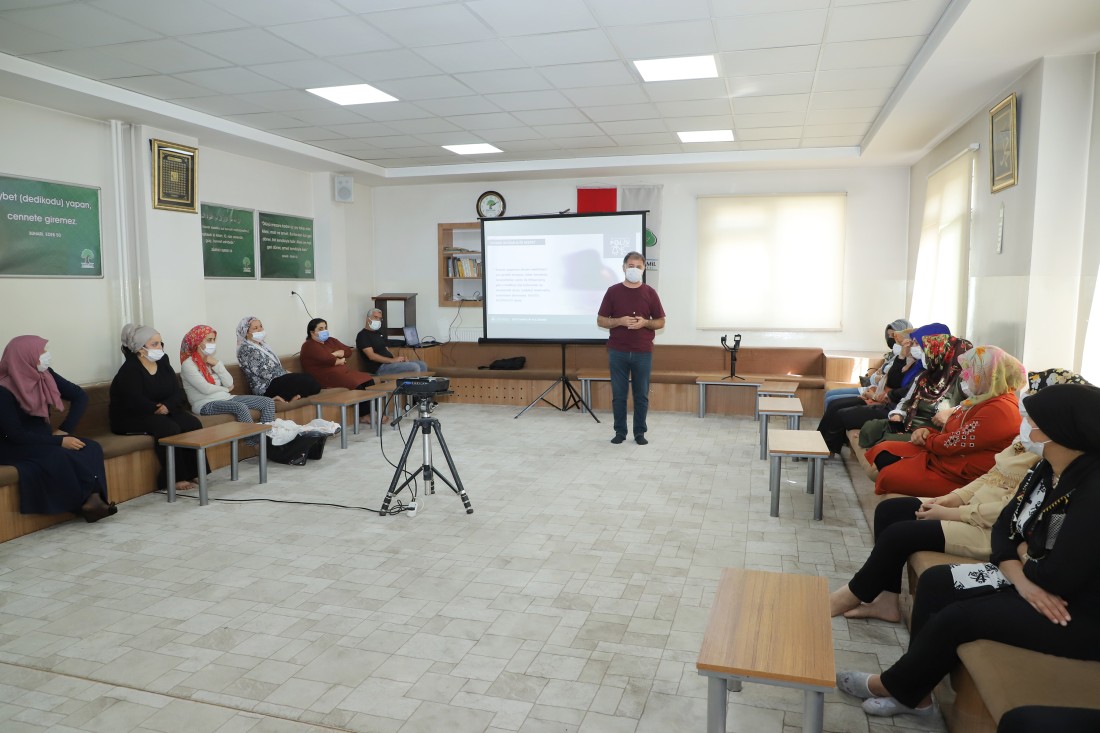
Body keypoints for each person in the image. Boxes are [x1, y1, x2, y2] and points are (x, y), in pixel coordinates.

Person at [836, 383, 1100, 718]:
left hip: (1072, 612)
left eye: (1033, 420)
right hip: (1028, 583)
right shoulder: (1047, 468)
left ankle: (894, 685)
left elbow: (1055, 574)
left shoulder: (1092, 491)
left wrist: (1020, 556)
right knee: (935, 582)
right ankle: (917, 695)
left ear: (1061, 430)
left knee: (958, 618)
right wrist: (1019, 563)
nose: (1026, 428)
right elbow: (1006, 528)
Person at [828, 369, 1087, 622]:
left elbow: (1014, 510)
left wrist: (954, 512)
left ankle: (851, 594)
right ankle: (886, 600)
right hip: (971, 506)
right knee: (890, 510)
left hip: (987, 528)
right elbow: (989, 476)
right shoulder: (1027, 441)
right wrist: (952, 499)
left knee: (899, 534)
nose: (1027, 420)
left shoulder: (1053, 457)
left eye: (1034, 415)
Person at [864, 345, 1024, 496]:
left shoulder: (1000, 409)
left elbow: (955, 442)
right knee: (883, 450)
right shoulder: (982, 399)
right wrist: (927, 432)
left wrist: (928, 438)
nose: (963, 375)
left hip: (961, 475)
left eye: (970, 370)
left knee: (889, 474)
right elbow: (954, 432)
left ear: (989, 376)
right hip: (947, 460)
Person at [0, 335, 116, 522]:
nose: (46, 355)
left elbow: (80, 396)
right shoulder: (3, 390)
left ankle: (94, 499)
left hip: (44, 440)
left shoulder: (45, 374)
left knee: (91, 447)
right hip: (12, 446)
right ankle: (84, 503)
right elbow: (15, 434)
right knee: (62, 455)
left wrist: (65, 430)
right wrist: (59, 441)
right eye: (42, 352)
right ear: (25, 356)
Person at [109, 324, 204, 491]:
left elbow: (177, 391)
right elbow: (133, 400)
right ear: (139, 348)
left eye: (161, 343)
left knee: (191, 423)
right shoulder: (129, 370)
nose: (160, 347)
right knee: (168, 428)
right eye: (154, 344)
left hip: (161, 411)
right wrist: (156, 408)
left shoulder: (163, 361)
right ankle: (174, 477)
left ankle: (193, 471)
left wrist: (167, 406)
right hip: (132, 416)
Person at [818, 322, 923, 454]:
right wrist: (901, 356)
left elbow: (904, 391)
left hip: (892, 408)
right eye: (911, 343)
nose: (910, 346)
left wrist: (877, 396)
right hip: (883, 400)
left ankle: (824, 451)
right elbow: (893, 381)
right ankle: (820, 448)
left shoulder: (924, 369)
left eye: (915, 343)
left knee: (840, 413)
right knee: (834, 404)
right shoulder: (914, 362)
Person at [596, 251, 666, 445]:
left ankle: (639, 433)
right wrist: (619, 321)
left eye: (638, 267)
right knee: (619, 395)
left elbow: (660, 322)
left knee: (641, 395)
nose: (634, 270)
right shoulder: (613, 291)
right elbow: (600, 320)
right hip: (617, 351)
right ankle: (620, 432)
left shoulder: (650, 292)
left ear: (644, 269)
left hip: (642, 351)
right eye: (631, 266)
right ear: (624, 267)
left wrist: (645, 323)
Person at [859, 331, 970, 449]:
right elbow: (907, 399)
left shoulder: (962, 382)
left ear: (944, 356)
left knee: (885, 443)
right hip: (907, 422)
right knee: (869, 429)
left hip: (927, 432)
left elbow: (975, 404)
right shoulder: (925, 376)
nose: (926, 356)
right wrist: (898, 414)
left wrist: (952, 411)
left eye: (929, 353)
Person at [179, 325, 275, 446]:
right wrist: (225, 389)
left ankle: (270, 439)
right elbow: (206, 389)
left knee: (268, 402)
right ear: (197, 343)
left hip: (226, 398)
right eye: (209, 340)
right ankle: (255, 442)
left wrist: (217, 364)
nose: (213, 343)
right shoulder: (188, 365)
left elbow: (230, 383)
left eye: (214, 339)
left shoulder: (211, 361)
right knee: (240, 407)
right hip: (205, 404)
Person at [300, 318, 380, 423]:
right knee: (356, 384)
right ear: (312, 332)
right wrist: (337, 355)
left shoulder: (330, 340)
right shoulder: (308, 345)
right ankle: (363, 415)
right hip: (325, 377)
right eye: (320, 329)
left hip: (341, 372)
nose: (324, 331)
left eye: (325, 328)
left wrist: (337, 358)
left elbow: (348, 351)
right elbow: (326, 359)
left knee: (368, 380)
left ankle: (373, 412)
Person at [822, 318, 911, 412]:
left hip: (878, 395)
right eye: (889, 336)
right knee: (829, 396)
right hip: (872, 389)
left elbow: (891, 383)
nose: (891, 339)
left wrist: (879, 380)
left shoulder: (907, 359)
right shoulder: (892, 355)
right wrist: (879, 378)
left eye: (894, 335)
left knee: (831, 400)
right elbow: (874, 378)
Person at [235, 316, 321, 403]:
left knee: (314, 384)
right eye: (255, 328)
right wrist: (288, 375)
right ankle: (285, 397)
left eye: (261, 326)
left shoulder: (263, 346)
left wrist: (289, 374)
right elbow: (264, 372)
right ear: (246, 332)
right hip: (266, 387)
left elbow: (275, 367)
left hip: (277, 380)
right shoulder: (245, 350)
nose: (260, 330)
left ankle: (295, 396)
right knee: (307, 380)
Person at [356, 309, 428, 375]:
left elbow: (387, 351)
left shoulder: (378, 334)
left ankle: (422, 387)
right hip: (379, 368)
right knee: (414, 367)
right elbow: (371, 356)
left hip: (389, 363)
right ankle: (413, 388)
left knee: (422, 364)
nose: (378, 320)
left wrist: (400, 360)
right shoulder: (362, 335)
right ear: (368, 319)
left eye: (380, 319)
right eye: (375, 317)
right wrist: (392, 360)